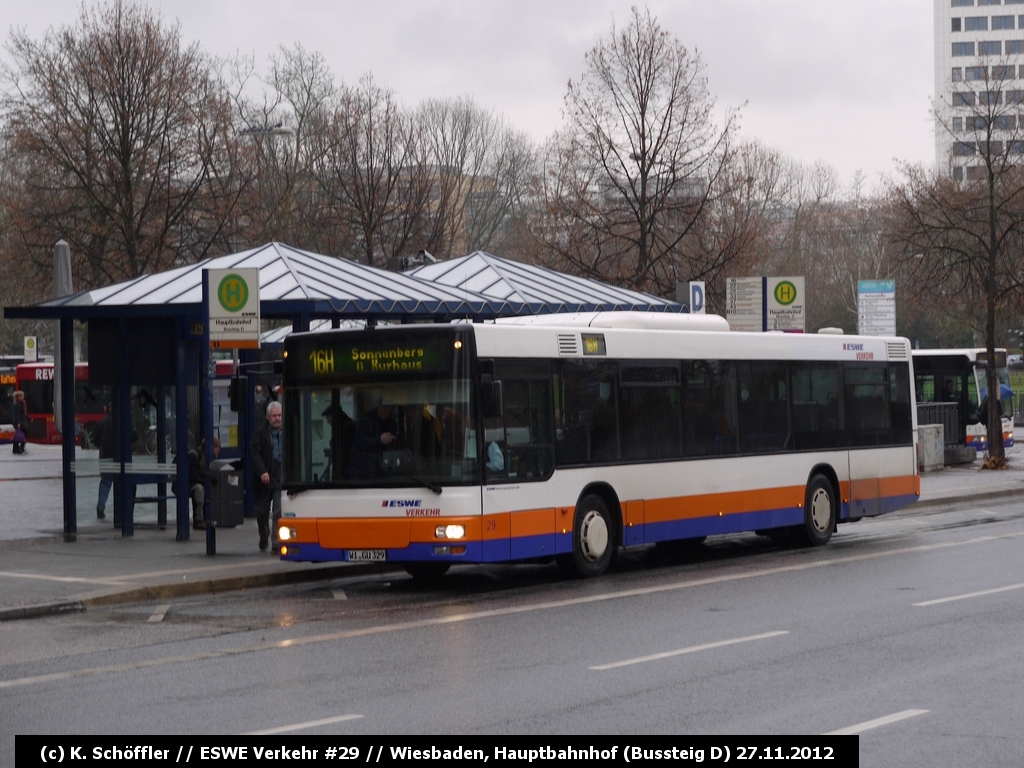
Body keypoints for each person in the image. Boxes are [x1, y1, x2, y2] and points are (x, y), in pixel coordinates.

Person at [250, 401, 282, 552]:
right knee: (262, 512)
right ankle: (264, 535)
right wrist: (262, 471)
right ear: (268, 417)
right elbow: (254, 454)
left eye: (279, 415)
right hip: (264, 479)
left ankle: (276, 542)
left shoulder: (288, 432)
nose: (277, 418)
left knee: (278, 511)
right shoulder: (260, 435)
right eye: (274, 416)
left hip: (280, 477)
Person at [349, 403, 398, 477]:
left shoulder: (391, 422)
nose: (388, 412)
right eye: (386, 408)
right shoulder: (365, 421)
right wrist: (379, 440)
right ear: (379, 405)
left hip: (385, 470)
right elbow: (359, 444)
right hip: (363, 471)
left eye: (391, 410)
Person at [185, 436, 220, 529]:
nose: (218, 450)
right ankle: (198, 520)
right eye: (216, 447)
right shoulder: (194, 455)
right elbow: (192, 477)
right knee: (199, 489)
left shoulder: (210, 458)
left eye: (219, 447)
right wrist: (206, 483)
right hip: (185, 484)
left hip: (198, 482)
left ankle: (216, 516)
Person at [322, 403, 356, 480]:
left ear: (333, 417)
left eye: (328, 419)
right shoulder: (340, 427)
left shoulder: (348, 427)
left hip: (348, 470)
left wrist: (333, 452)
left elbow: (346, 450)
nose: (328, 422)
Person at [10, 390, 27, 455]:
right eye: (22, 396)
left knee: (18, 435)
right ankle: (20, 448)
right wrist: (18, 423)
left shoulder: (20, 404)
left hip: (20, 422)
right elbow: (18, 414)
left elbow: (24, 413)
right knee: (23, 435)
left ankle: (16, 449)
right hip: (20, 422)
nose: (23, 397)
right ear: (18, 397)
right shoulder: (18, 404)